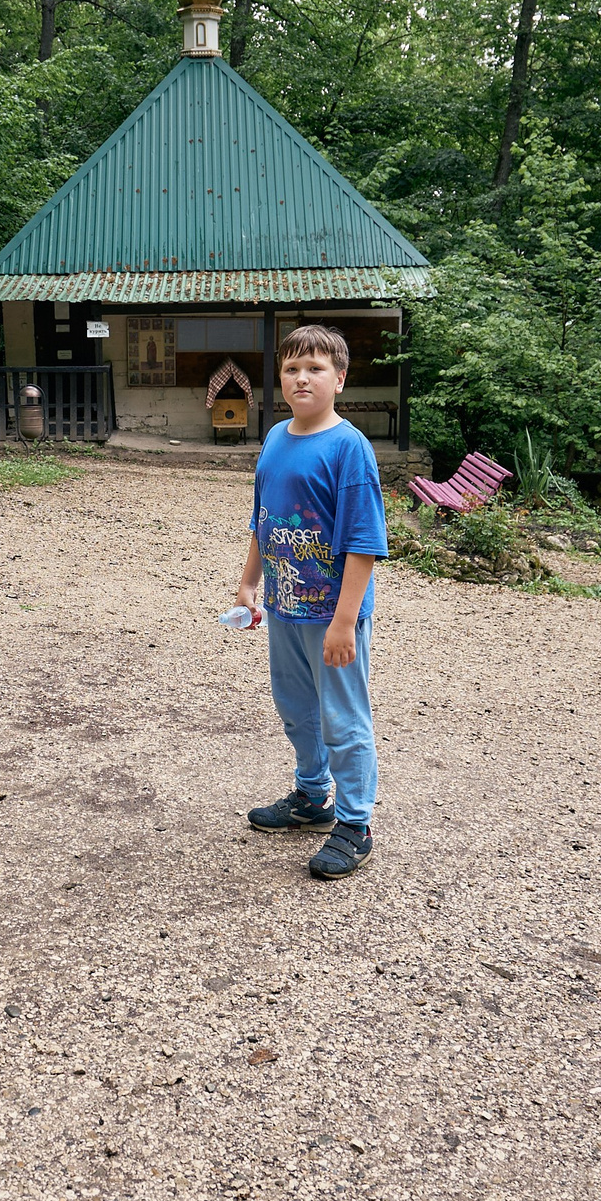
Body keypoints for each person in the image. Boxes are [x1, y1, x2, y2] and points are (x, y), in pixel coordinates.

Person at [230, 324, 388, 880]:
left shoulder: (349, 449)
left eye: (316, 368)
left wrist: (345, 622)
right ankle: (313, 797)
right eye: (293, 368)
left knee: (343, 720)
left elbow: (364, 544)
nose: (303, 378)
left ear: (339, 379)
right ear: (280, 378)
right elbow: (263, 520)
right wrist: (250, 584)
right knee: (296, 710)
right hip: (284, 608)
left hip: (332, 617)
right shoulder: (275, 438)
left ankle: (355, 822)